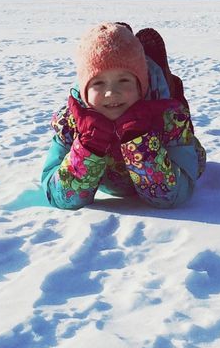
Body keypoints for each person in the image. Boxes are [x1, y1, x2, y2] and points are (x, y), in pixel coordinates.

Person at [42, 22, 205, 209]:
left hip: (169, 143)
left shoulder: (170, 120)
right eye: (98, 83)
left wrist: (140, 142)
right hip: (105, 169)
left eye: (124, 80)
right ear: (84, 90)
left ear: (140, 86)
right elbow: (57, 196)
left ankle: (163, 83)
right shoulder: (71, 123)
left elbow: (175, 196)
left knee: (197, 159)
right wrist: (88, 148)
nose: (111, 92)